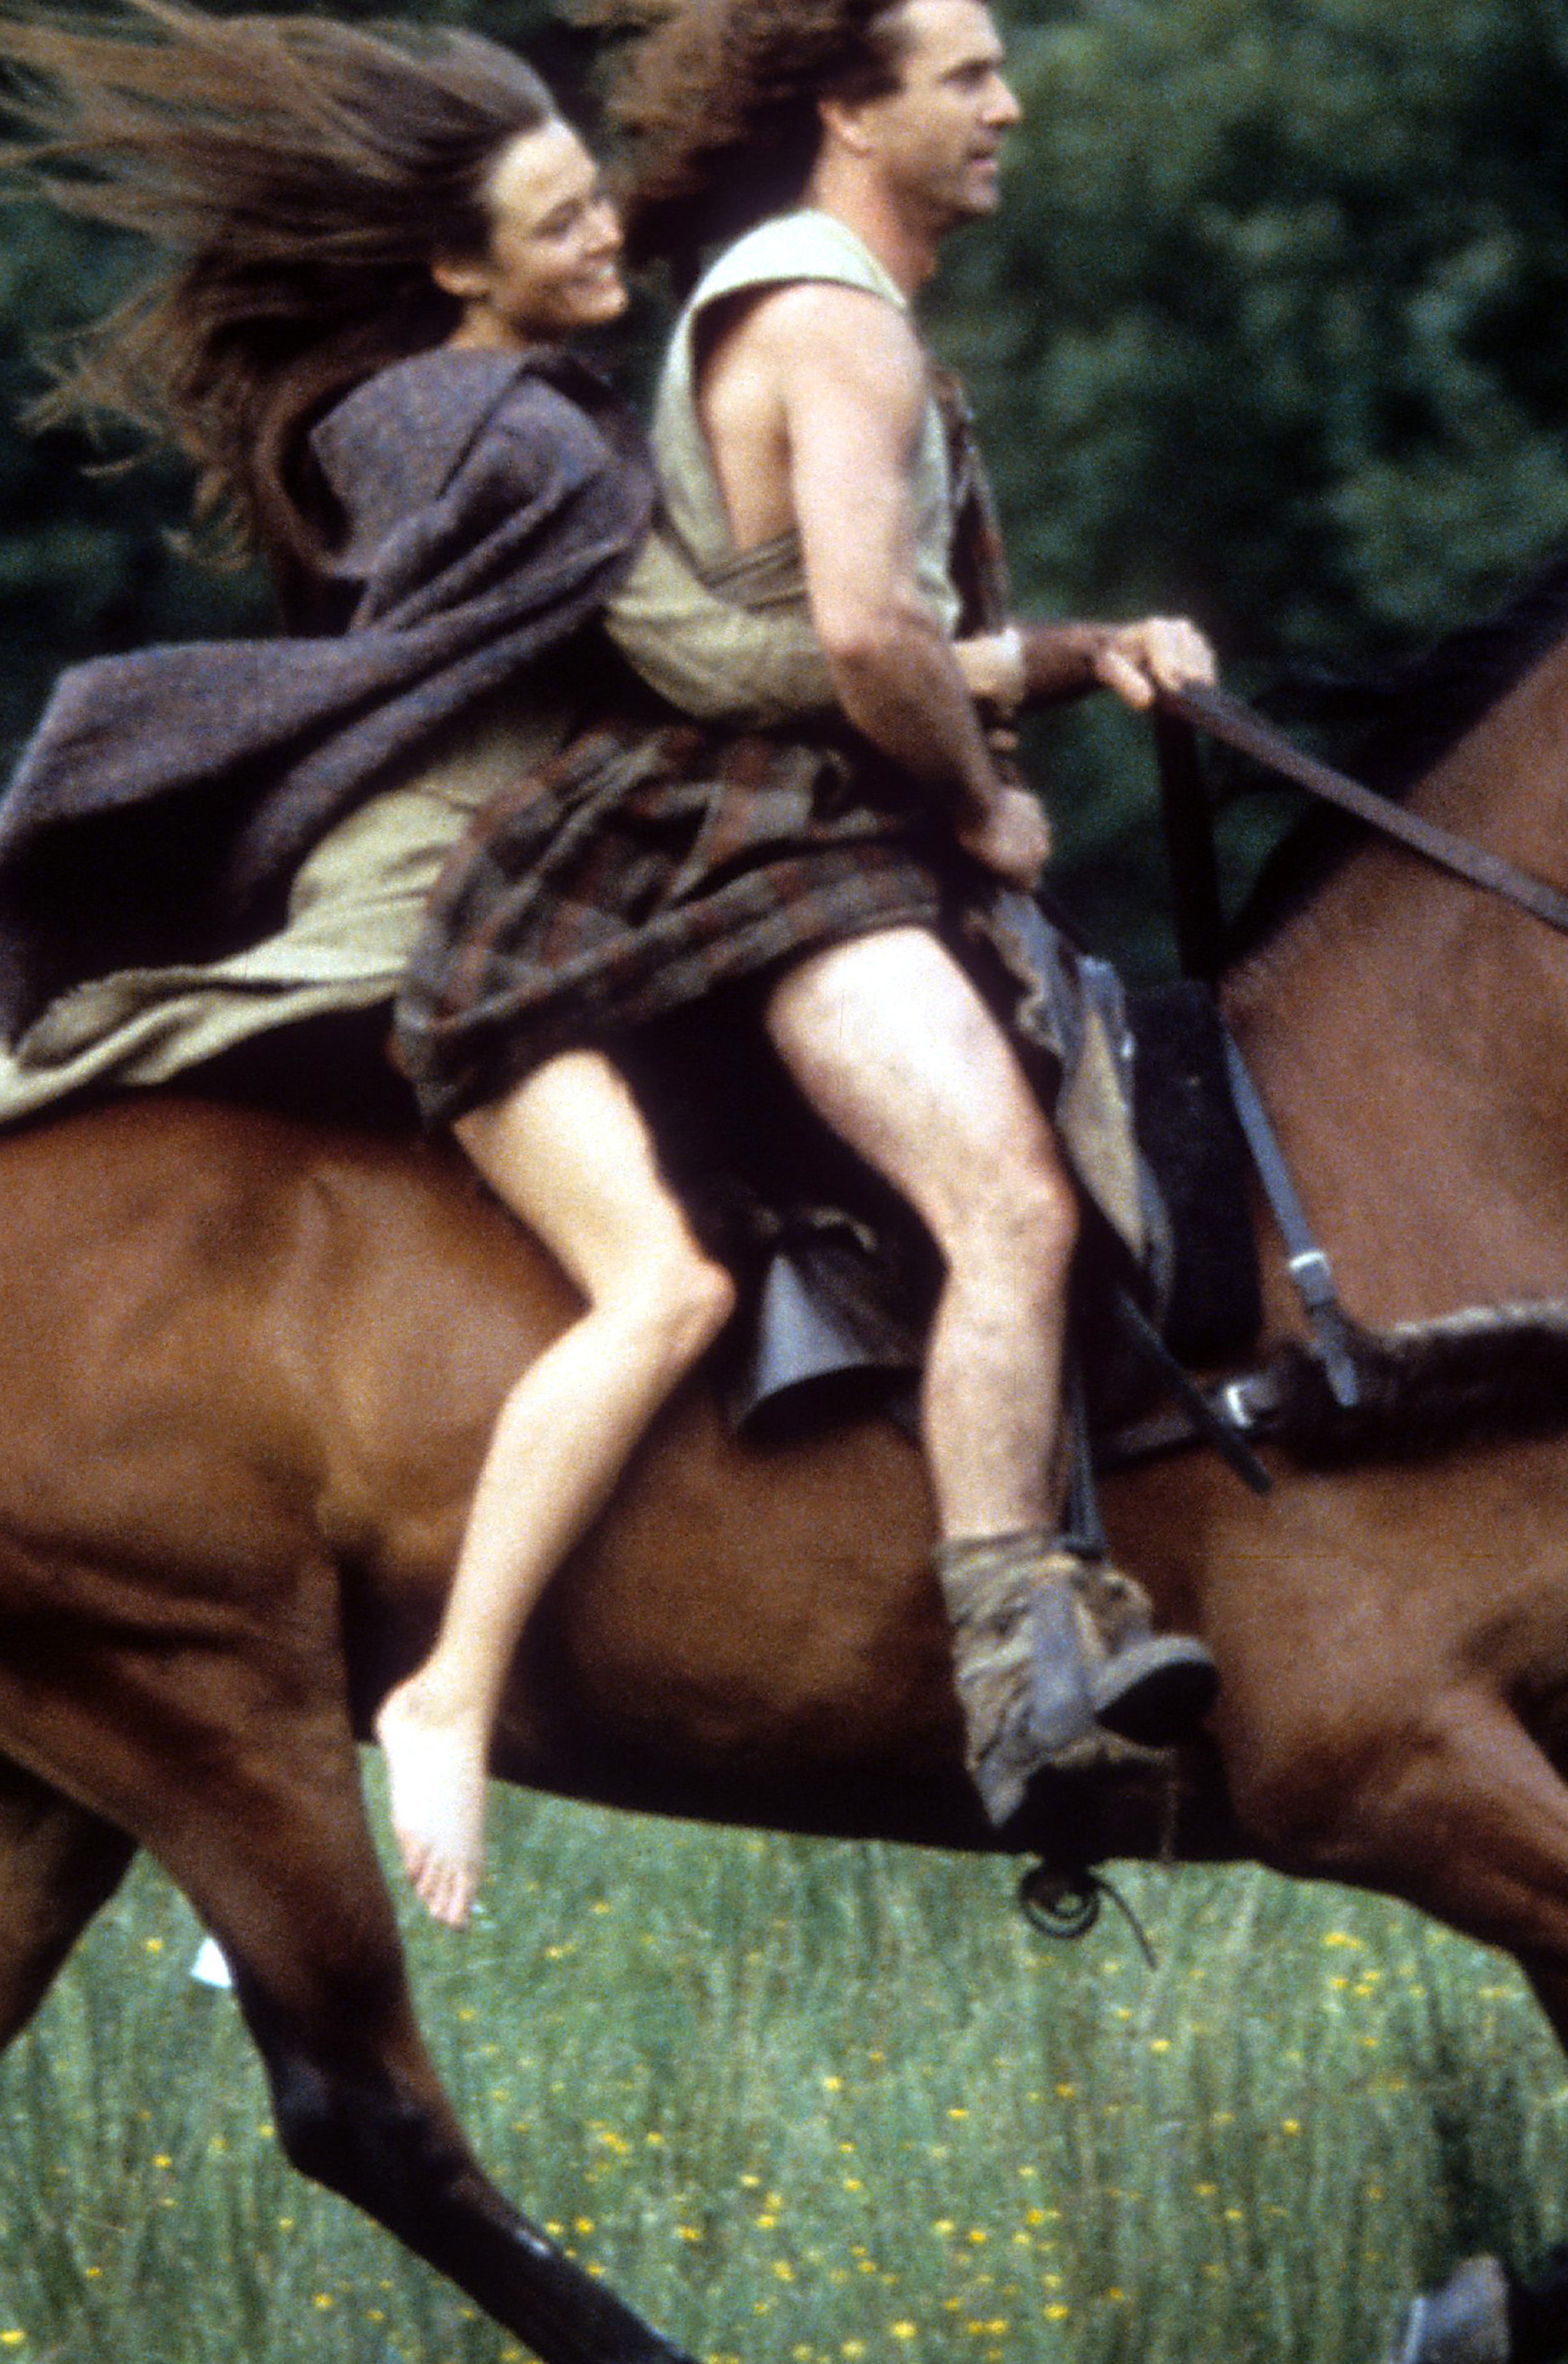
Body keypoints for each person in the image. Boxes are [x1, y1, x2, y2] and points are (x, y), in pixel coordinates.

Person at [0, 6, 847, 1934]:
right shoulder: (514, 434)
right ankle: (447, 1688)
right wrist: (1010, 670)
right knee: (659, 1283)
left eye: (603, 200)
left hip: (526, 867)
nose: (607, 241)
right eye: (562, 220)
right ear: (454, 266)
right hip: (464, 907)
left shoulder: (462, 407)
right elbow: (694, 644)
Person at [402, 0, 1221, 1840]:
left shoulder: (823, 302)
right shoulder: (833, 312)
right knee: (1008, 1194)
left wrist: (1077, 659)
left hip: (800, 820)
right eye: (967, 78)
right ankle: (1017, 1678)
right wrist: (984, 797)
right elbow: (863, 638)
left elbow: (847, 627)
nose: (1010, 105)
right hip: (787, 851)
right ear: (854, 112)